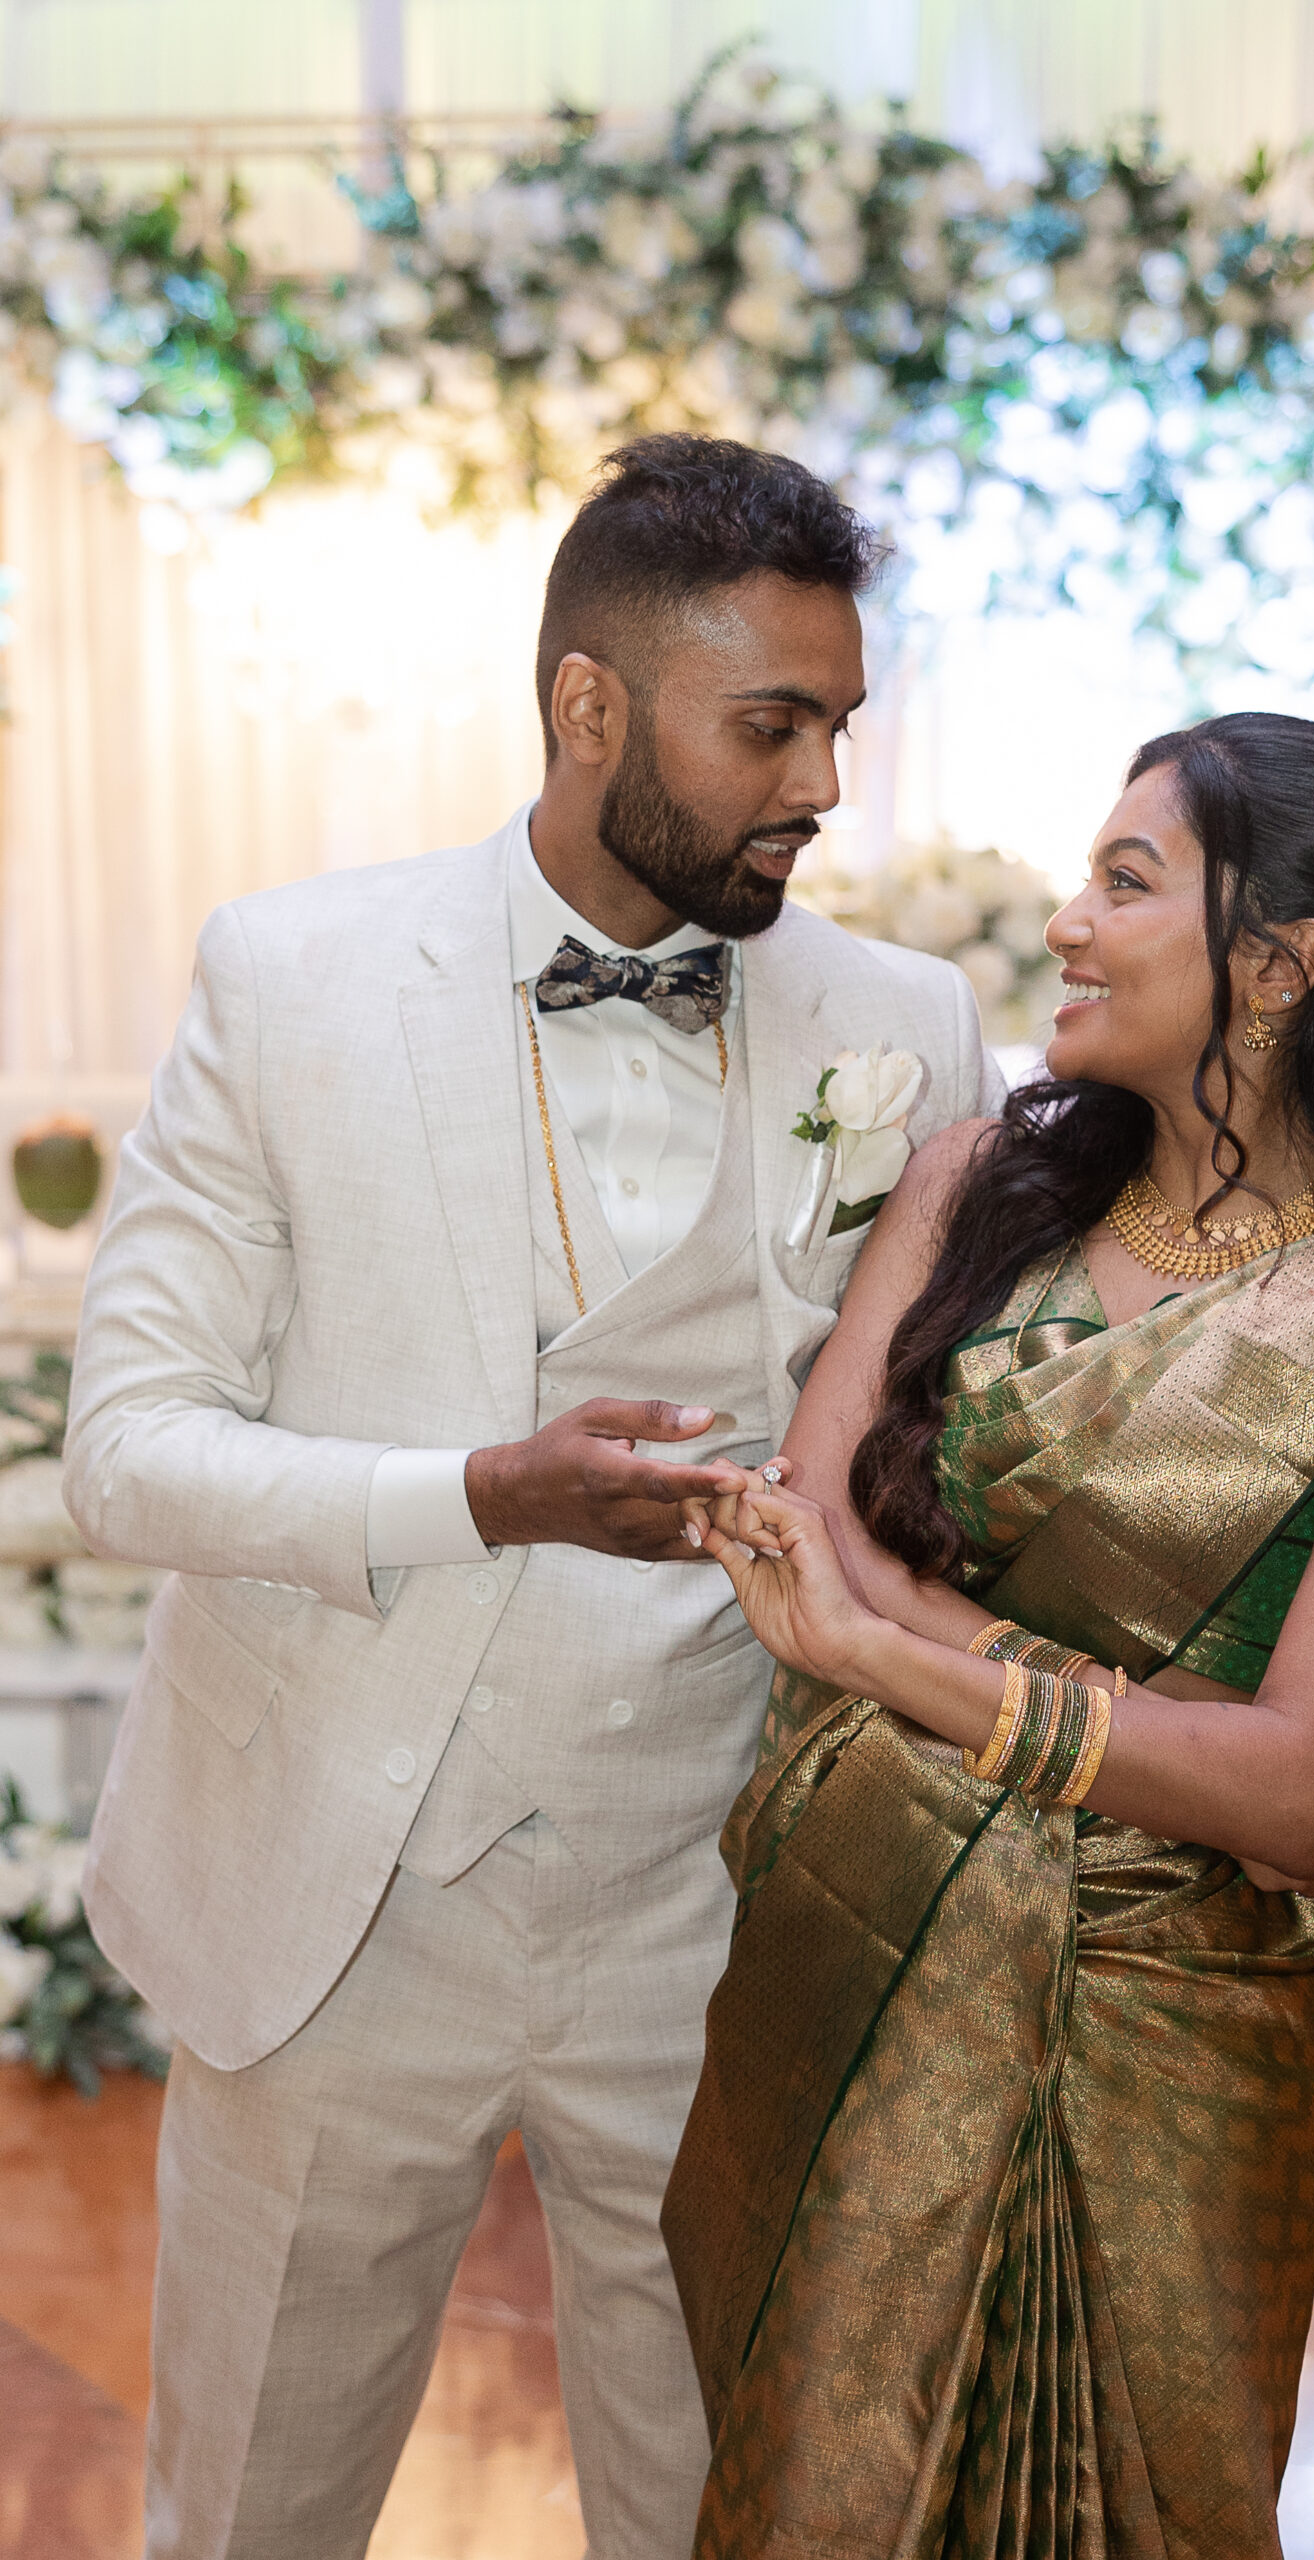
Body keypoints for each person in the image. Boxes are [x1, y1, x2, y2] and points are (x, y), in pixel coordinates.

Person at [61, 435, 1009, 2560]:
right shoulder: (293, 979)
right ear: (591, 705)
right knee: (250, 2512)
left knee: (722, 2508)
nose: (821, 784)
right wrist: (481, 1490)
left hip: (716, 1894)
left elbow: (944, 1456)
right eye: (768, 723)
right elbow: (126, 1442)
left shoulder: (903, 1023)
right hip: (343, 1887)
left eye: (839, 723)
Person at [662, 712, 1314, 2559]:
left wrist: (903, 1654)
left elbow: (1298, 1797)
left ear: (1283, 963)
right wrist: (1145, 1725)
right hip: (851, 1949)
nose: (1065, 922)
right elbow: (799, 1530)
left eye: (1126, 881)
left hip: (1174, 2027)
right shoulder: (974, 1188)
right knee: (806, 2496)